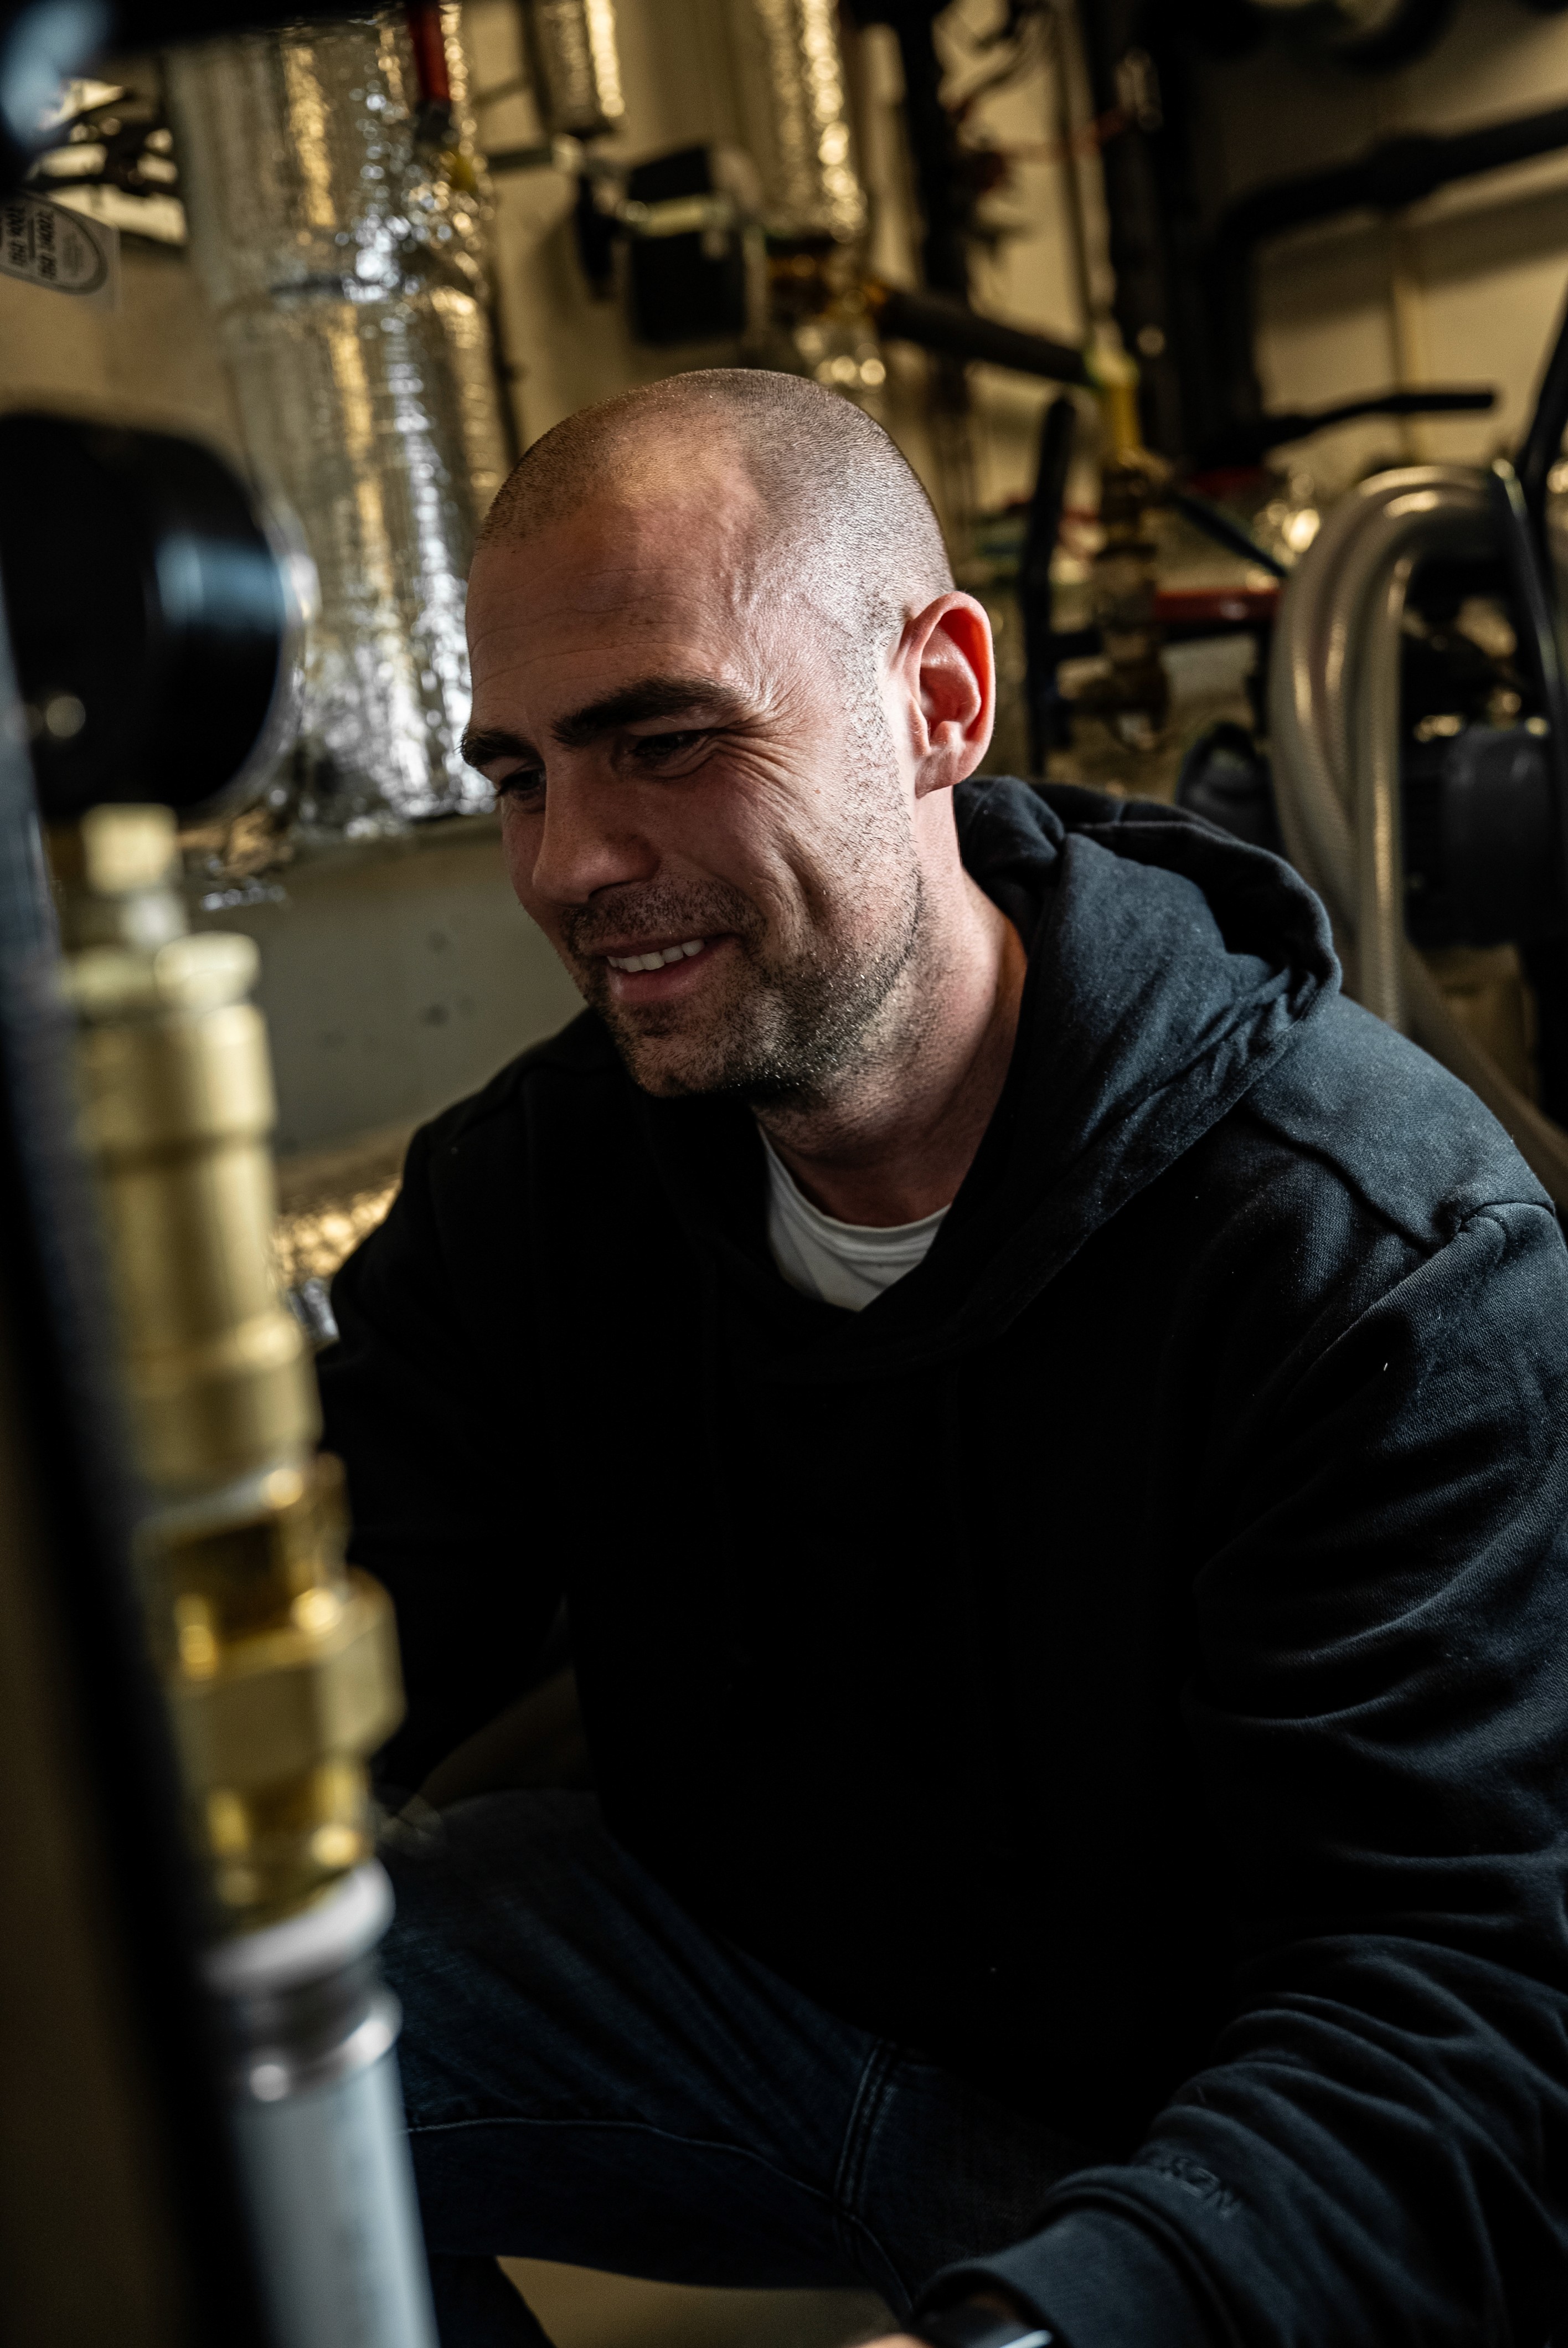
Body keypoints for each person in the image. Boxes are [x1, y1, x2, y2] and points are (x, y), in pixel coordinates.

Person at [318, 370, 1568, 2348]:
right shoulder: (550, 1188)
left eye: (665, 739)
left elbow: (1452, 2018)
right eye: (521, 775)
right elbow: (308, 1643)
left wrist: (1044, 2326)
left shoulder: (1373, 1260)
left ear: (940, 699)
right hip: (779, 2017)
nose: (567, 862)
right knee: (205, 2029)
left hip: (1203, 2142)